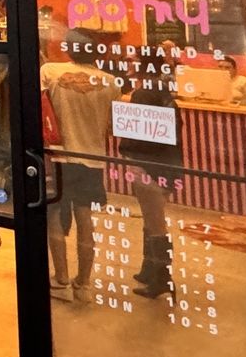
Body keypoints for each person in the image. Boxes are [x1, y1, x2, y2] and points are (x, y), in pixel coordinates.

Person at [40, 31, 121, 301]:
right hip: (93, 158)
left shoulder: (50, 71)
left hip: (59, 156)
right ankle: (83, 281)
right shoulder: (110, 82)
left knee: (53, 216)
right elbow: (112, 125)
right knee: (85, 219)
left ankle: (60, 276)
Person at [119, 47, 186, 300]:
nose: (128, 60)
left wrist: (130, 156)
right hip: (165, 164)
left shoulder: (145, 92)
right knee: (151, 219)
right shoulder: (159, 89)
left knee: (155, 222)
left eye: (133, 58)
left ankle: (161, 278)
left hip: (150, 165)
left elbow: (141, 135)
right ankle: (149, 270)